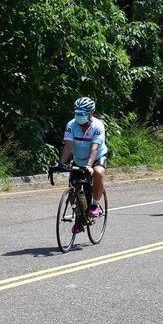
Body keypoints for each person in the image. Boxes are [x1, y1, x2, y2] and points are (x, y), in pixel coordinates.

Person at [57, 97, 108, 233]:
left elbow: (94, 148)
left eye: (83, 113)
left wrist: (89, 165)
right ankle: (80, 218)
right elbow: (68, 146)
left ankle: (95, 205)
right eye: (77, 112)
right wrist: (60, 164)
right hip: (79, 159)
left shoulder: (97, 126)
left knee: (98, 172)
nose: (79, 115)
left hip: (96, 157)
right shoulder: (71, 125)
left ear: (91, 113)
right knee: (74, 190)